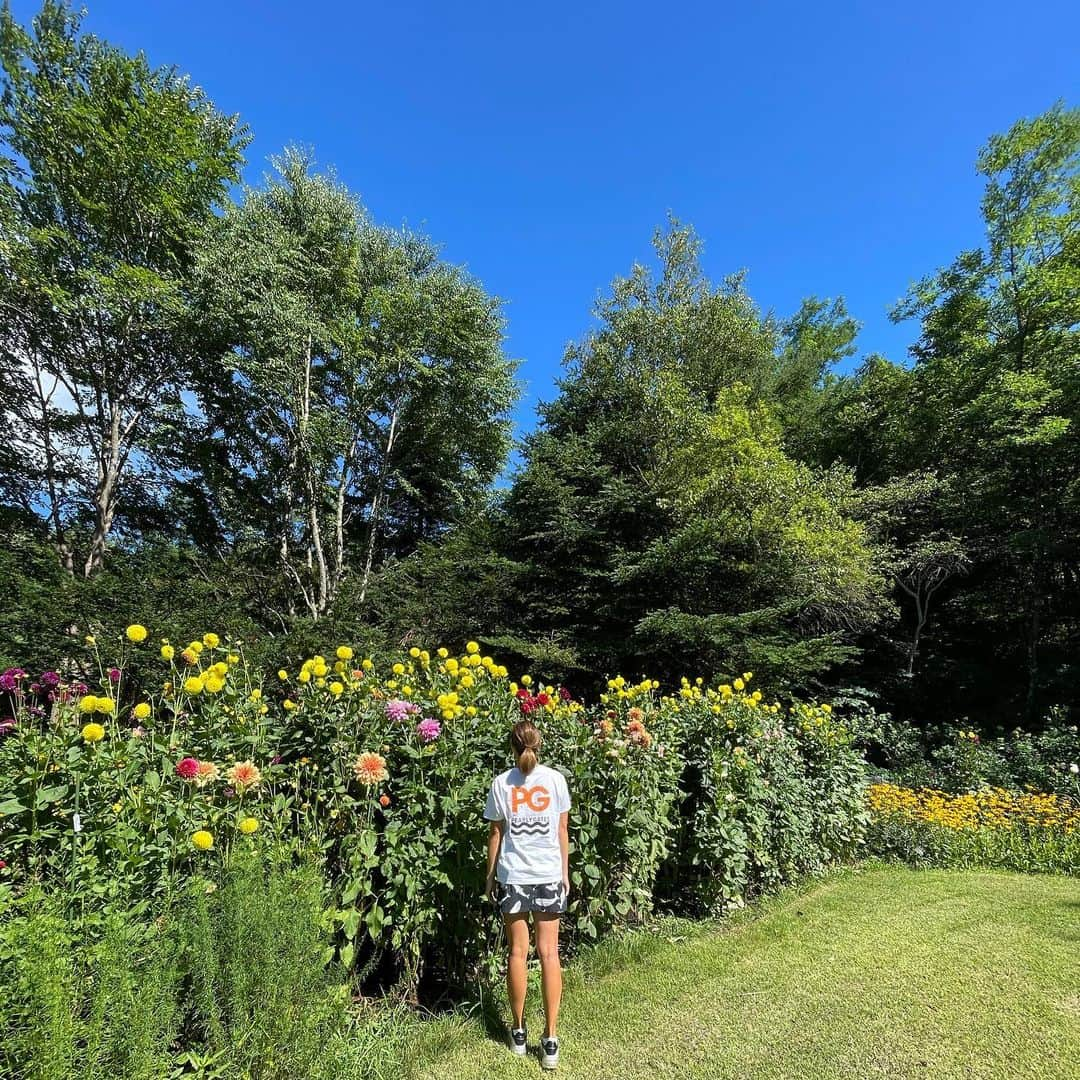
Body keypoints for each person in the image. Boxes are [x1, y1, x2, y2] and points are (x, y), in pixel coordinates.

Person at [484, 718, 571, 1071]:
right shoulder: (556, 780)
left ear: (512, 746)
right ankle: (550, 1040)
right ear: (538, 745)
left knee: (517, 953)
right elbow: (562, 829)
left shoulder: (501, 783)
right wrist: (564, 873)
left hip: (514, 877)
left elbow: (495, 834)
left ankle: (518, 1033)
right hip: (549, 874)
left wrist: (490, 878)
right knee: (549, 954)